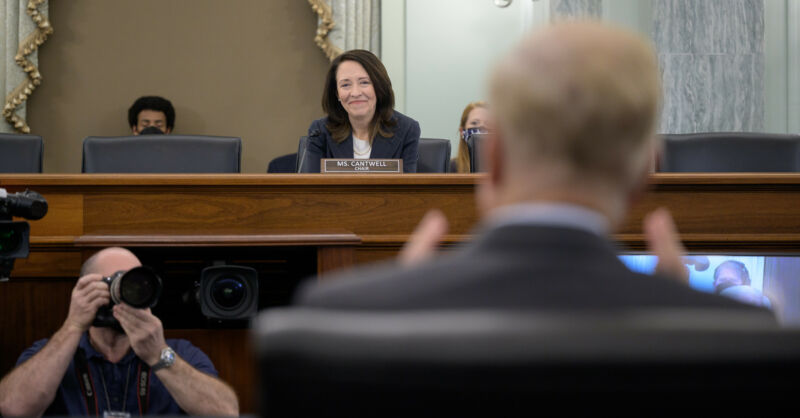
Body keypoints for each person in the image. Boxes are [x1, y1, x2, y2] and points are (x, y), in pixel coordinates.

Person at [292, 21, 772, 315]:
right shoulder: (744, 338)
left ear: (492, 160)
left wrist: (394, 311)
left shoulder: (338, 314)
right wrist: (680, 327)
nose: (353, 91)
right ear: (646, 172)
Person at [0, 247, 238, 416]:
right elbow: (13, 408)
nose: (124, 293)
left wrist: (159, 355)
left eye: (134, 284)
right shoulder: (52, 352)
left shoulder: (178, 352)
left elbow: (226, 412)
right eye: (112, 283)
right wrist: (73, 326)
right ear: (84, 289)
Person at [299, 49, 420, 173]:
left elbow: (407, 189)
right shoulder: (320, 131)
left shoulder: (407, 129)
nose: (355, 93)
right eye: (345, 85)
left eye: (364, 82)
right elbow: (311, 188)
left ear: (379, 87)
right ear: (337, 93)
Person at [451, 101, 491, 173]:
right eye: (474, 123)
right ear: (462, 131)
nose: (482, 126)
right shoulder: (449, 168)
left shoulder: (506, 168)